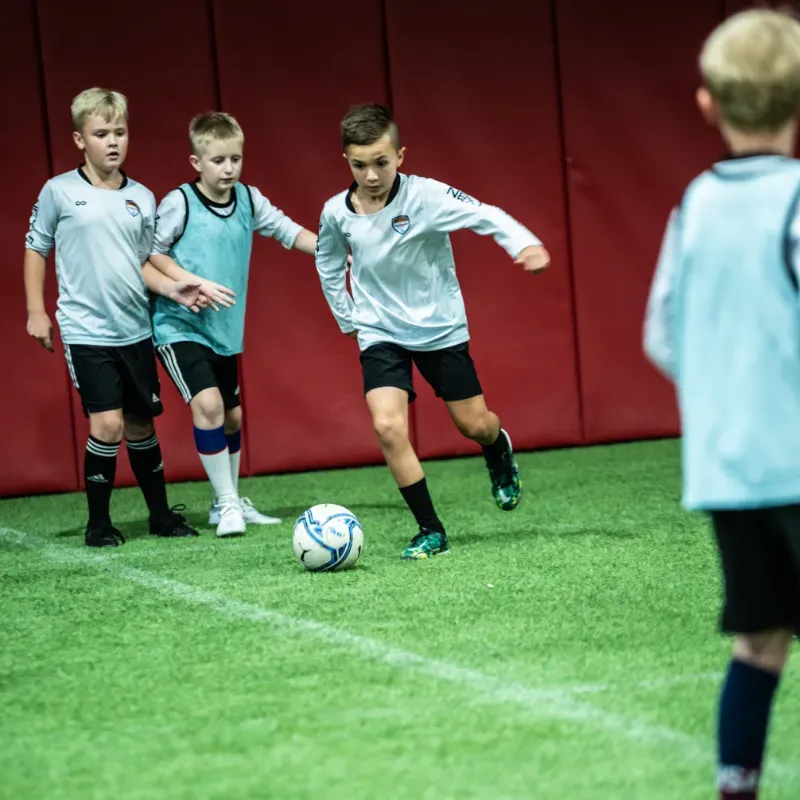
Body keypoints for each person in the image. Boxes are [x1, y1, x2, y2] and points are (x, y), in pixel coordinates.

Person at [643, 9, 800, 798]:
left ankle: (735, 785)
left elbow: (661, 336)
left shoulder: (694, 205)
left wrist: (728, 400)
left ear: (708, 104)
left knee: (760, 642)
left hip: (732, 471)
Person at [314, 103, 550, 560]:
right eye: (360, 165)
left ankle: (496, 448)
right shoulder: (335, 213)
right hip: (379, 330)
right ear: (347, 160)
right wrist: (348, 318)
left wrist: (525, 243)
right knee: (387, 427)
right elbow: (327, 264)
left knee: (474, 424)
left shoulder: (427, 196)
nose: (372, 175)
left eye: (381, 162)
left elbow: (485, 214)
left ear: (400, 156)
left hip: (439, 328)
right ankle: (430, 529)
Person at [23, 87, 223, 547]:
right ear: (79, 140)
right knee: (107, 425)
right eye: (100, 133)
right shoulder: (59, 191)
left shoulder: (142, 197)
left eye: (120, 132)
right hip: (86, 330)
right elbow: (36, 248)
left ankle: (159, 516)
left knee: (139, 424)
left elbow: (141, 263)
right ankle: (98, 524)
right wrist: (37, 311)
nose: (112, 141)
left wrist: (172, 286)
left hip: (134, 328)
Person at [148, 112, 319, 537]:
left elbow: (287, 230)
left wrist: (331, 251)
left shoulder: (248, 199)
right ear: (196, 163)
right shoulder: (179, 202)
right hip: (179, 325)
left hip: (225, 332)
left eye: (236, 159)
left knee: (232, 418)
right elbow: (152, 254)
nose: (228, 168)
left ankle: (226, 500)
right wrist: (193, 282)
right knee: (208, 405)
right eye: (219, 160)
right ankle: (227, 505)